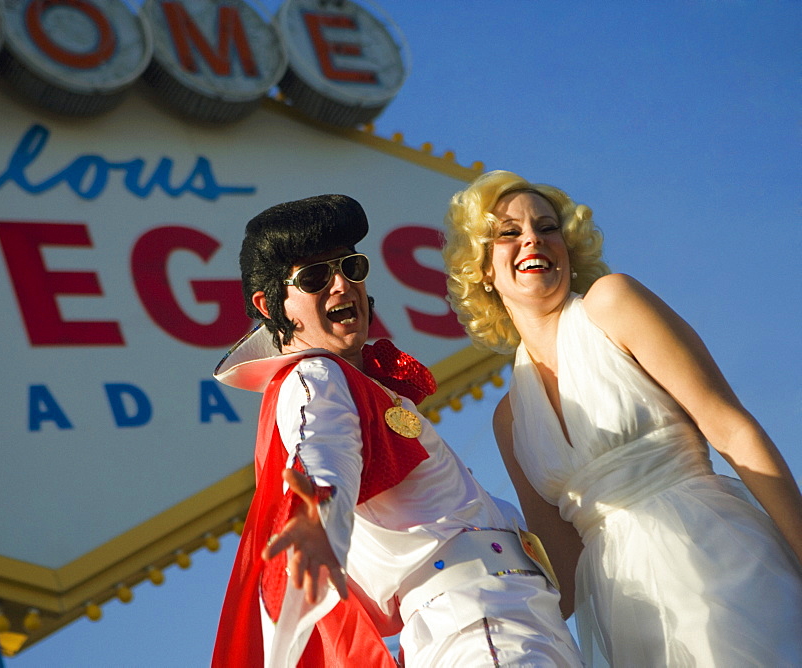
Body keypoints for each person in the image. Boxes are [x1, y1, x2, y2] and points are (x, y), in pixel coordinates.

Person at [442, 170, 802, 666]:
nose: (533, 239)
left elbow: (731, 427)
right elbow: (563, 577)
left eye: (547, 228)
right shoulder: (510, 419)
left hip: (720, 554)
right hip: (629, 609)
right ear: (482, 268)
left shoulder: (613, 303)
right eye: (509, 232)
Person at [211, 194, 582, 667]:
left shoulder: (359, 386)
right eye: (315, 277)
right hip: (479, 623)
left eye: (351, 266)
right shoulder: (314, 377)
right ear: (271, 305)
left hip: (505, 617)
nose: (342, 284)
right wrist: (314, 518)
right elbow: (320, 450)